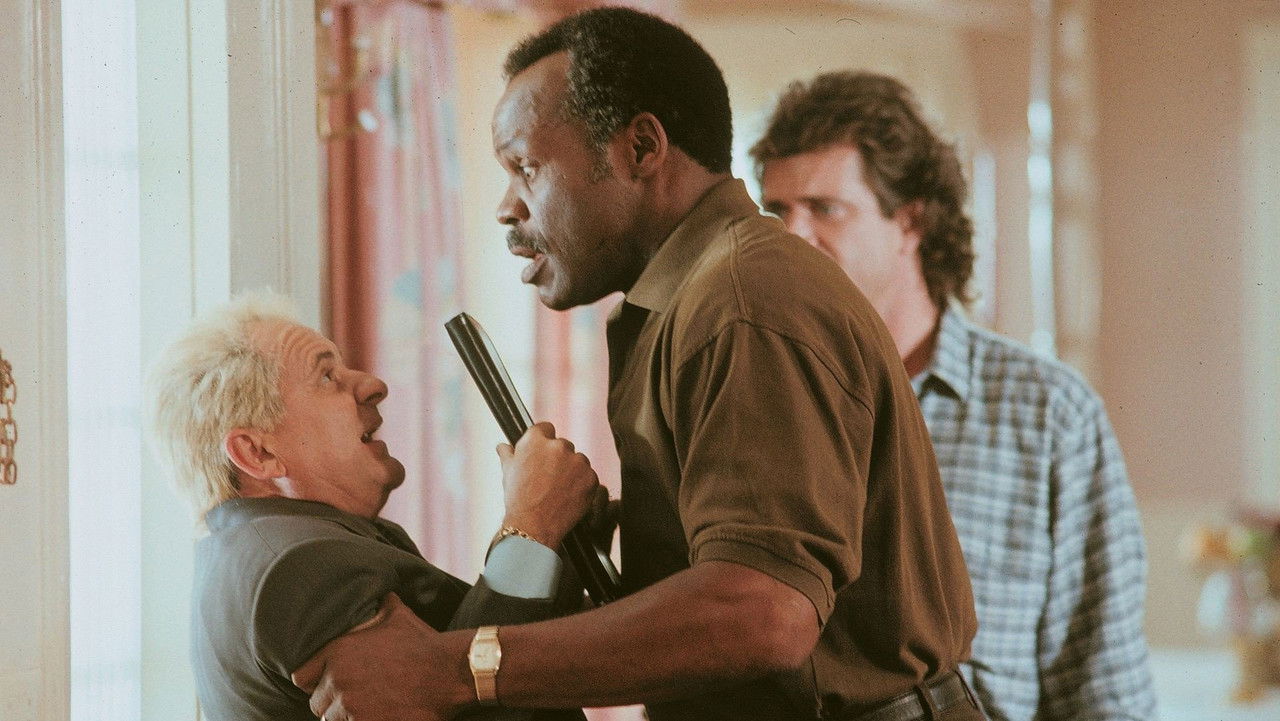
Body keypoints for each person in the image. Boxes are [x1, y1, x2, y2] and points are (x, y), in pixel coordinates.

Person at [297, 9, 985, 721]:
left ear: (642, 148)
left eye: (526, 167)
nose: (506, 208)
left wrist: (451, 668)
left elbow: (762, 612)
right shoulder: (692, 301)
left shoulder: (743, 299)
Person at [751, 71, 1157, 721]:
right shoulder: (757, 403)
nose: (791, 238)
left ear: (910, 221)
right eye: (778, 211)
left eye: (825, 208)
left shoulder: (1045, 415)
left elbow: (1102, 690)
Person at [145, 291, 597, 721]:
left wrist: (554, 528)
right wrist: (532, 526)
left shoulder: (259, 551)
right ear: (257, 453)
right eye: (327, 377)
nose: (373, 385)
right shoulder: (301, 566)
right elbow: (456, 706)